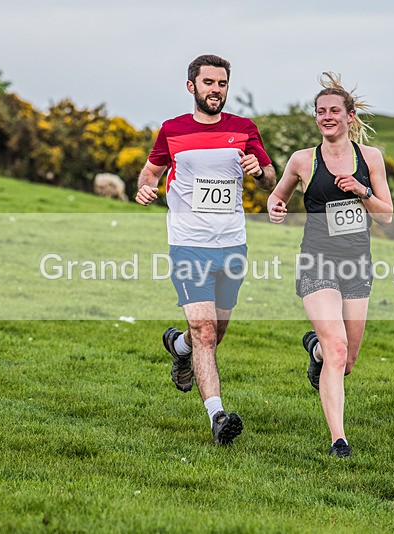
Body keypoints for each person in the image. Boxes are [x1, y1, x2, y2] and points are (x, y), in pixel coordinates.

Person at [135, 54, 276, 445]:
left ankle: (178, 348)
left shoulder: (245, 129)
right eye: (209, 82)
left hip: (231, 244)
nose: (216, 90)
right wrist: (144, 186)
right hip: (189, 245)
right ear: (191, 86)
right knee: (205, 331)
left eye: (222, 84)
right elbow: (152, 170)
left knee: (217, 331)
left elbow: (268, 179)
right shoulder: (172, 130)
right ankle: (217, 416)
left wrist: (259, 170)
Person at [266, 73, 393, 458]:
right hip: (317, 261)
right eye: (320, 111)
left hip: (356, 265)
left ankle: (315, 351)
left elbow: (386, 216)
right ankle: (339, 440)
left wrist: (362, 191)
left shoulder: (370, 159)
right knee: (337, 347)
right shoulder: (303, 160)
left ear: (350, 116)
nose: (326, 116)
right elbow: (278, 195)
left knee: (346, 360)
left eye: (334, 110)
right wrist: (276, 206)